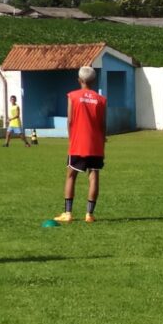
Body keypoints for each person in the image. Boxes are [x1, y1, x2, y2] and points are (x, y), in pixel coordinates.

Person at [53, 66, 106, 224]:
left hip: (78, 143)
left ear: (79, 80)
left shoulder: (73, 96)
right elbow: (103, 124)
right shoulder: (101, 99)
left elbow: (69, 120)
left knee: (71, 176)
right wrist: (102, 140)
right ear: (94, 80)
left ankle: (68, 213)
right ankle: (89, 214)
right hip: (95, 144)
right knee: (94, 176)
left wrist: (71, 137)